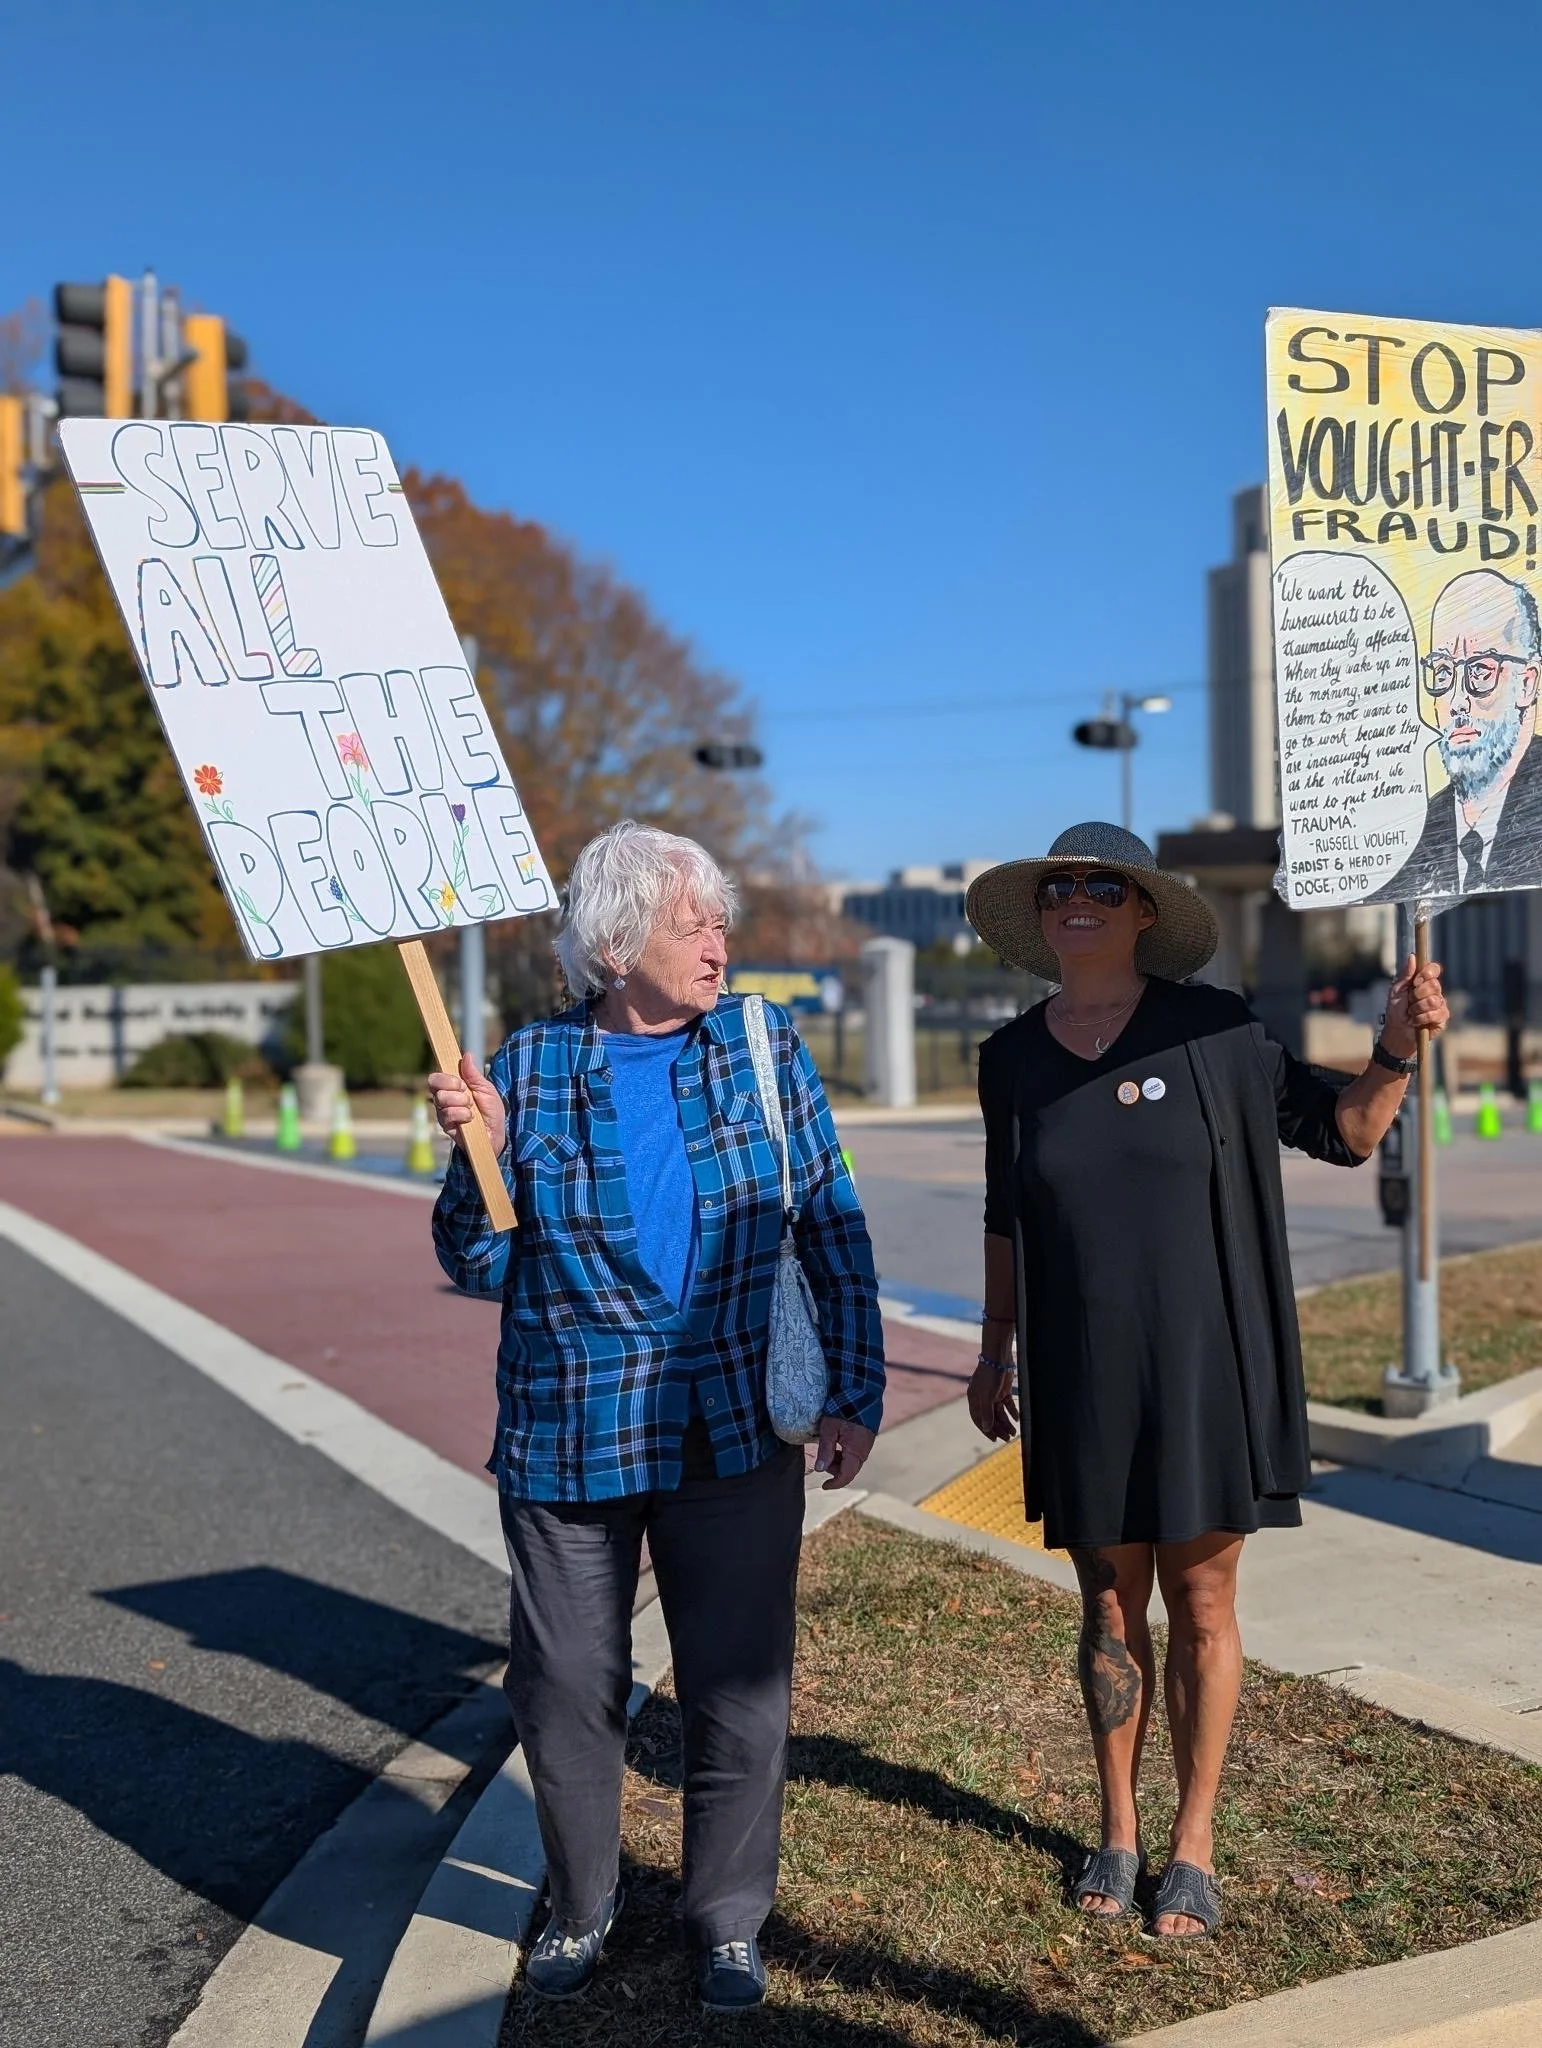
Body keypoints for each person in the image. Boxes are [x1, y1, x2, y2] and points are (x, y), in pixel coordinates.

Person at [428, 819, 883, 2010]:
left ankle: (728, 1917)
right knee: (568, 1677)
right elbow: (478, 1265)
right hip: (569, 1423)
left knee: (739, 1680)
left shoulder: (762, 1043)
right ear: (617, 939)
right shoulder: (523, 1069)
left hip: (730, 1421)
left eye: (722, 920)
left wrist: (857, 1386)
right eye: (697, 922)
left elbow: (829, 1215)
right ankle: (581, 1898)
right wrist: (473, 1156)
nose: (719, 943)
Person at [964, 823, 1448, 1940]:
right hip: (1081, 1371)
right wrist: (995, 1348)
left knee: (1205, 1602)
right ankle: (1118, 1827)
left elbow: (1344, 1129)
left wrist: (1396, 1049)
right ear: (1041, 916)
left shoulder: (1215, 1030)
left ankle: (1193, 1840)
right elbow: (1006, 1214)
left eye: (1102, 885)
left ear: (1143, 912)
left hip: (1203, 1364)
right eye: (1060, 886)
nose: (1076, 899)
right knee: (1104, 1603)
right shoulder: (1011, 1058)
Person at [1371, 567, 1542, 900]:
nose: (1458, 701)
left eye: (1480, 670)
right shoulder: (1417, 832)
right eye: (1443, 671)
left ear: (1527, 682)